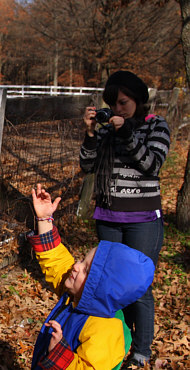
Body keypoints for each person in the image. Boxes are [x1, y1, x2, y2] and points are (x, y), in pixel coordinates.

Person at [79, 71, 170, 367]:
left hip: (142, 220)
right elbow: (87, 166)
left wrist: (127, 133)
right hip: (107, 216)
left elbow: (151, 164)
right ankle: (119, 339)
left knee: (139, 286)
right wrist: (92, 134)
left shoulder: (155, 126)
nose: (118, 109)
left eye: (124, 102)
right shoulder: (105, 131)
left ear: (138, 99)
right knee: (111, 285)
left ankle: (141, 351)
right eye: (113, 104)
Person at [28, 184, 155, 369]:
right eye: (82, 260)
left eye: (87, 269)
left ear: (101, 288)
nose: (76, 266)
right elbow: (56, 260)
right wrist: (45, 218)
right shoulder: (76, 296)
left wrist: (59, 355)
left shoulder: (106, 329)